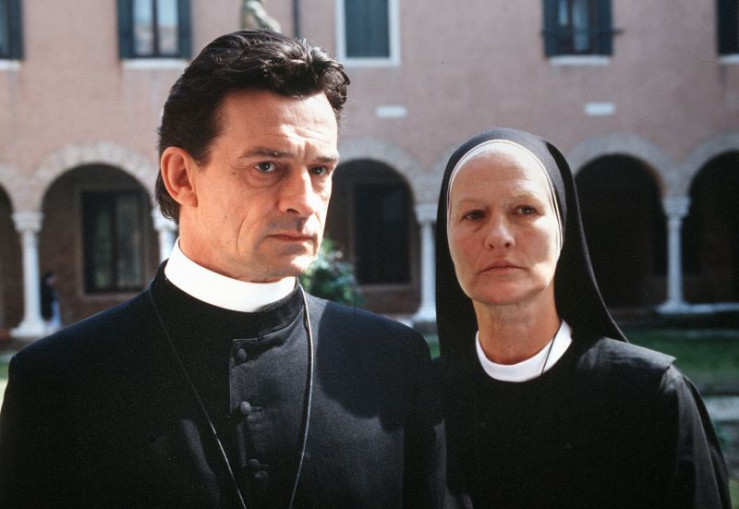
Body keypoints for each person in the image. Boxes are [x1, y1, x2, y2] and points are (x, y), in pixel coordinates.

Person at [0, 30, 444, 508]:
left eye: (319, 170)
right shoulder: (58, 382)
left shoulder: (395, 363)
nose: (304, 201)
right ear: (181, 177)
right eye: (267, 166)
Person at [435, 128, 729, 508]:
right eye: (474, 214)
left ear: (563, 230)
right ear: (446, 238)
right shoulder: (420, 401)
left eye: (525, 210)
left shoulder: (650, 398)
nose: (499, 236)